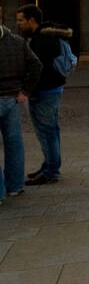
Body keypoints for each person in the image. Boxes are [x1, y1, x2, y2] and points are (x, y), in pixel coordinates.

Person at [15, 5, 71, 185]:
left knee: (47, 132)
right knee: (51, 131)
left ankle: (50, 171)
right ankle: (49, 165)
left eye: (20, 20)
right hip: (52, 89)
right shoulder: (46, 36)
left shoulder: (41, 39)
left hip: (45, 91)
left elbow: (39, 70)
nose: (18, 24)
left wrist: (28, 90)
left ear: (32, 20)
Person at [0, 19, 42, 202]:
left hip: (8, 96)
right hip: (12, 98)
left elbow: (36, 66)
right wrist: (25, 91)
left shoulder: (18, 41)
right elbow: (36, 65)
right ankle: (15, 186)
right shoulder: (17, 41)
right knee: (14, 143)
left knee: (14, 142)